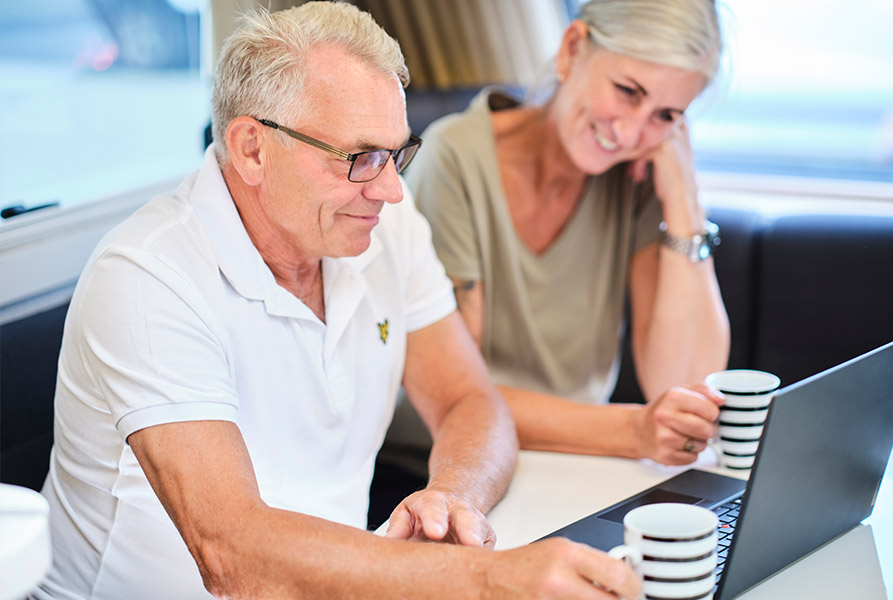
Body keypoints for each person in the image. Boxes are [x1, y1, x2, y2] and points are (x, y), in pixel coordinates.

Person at [36, 3, 641, 599]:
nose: (391, 190)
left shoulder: (381, 229)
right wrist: (490, 579)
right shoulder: (148, 275)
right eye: (360, 157)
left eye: (398, 153)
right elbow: (233, 555)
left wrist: (452, 500)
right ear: (251, 149)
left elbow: (468, 398)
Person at [400, 0, 730, 467]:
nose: (633, 132)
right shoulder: (453, 159)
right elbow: (455, 398)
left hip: (577, 461)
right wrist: (632, 431)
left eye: (667, 115)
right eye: (628, 91)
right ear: (572, 48)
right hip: (449, 465)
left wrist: (685, 202)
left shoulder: (636, 179)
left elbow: (686, 387)